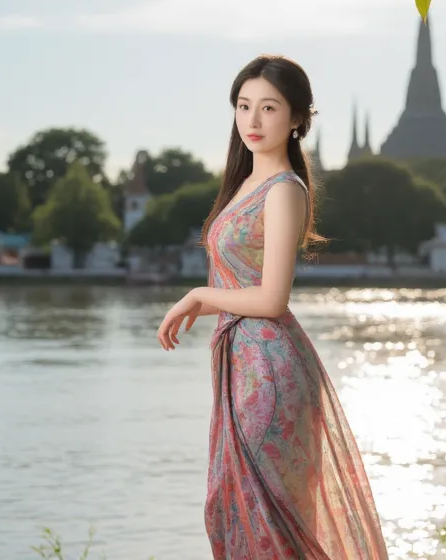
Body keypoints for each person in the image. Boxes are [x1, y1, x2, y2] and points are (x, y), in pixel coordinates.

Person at [156, 55, 389, 559]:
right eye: (244, 106)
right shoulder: (244, 185)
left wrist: (198, 296)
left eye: (268, 108)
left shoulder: (284, 190)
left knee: (267, 516)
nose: (253, 121)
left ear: (298, 119)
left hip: (271, 371)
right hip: (240, 365)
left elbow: (271, 298)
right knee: (230, 507)